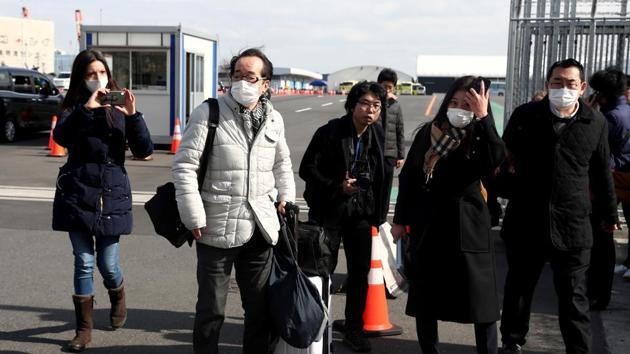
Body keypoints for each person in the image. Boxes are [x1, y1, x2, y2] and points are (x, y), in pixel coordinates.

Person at [172, 48, 295, 354]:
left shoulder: (274, 119)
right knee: (211, 310)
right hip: (215, 226)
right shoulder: (208, 112)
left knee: (259, 311)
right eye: (237, 76)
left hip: (260, 228)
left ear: (265, 84)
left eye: (250, 77)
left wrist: (286, 196)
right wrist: (193, 215)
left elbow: (282, 163)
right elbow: (185, 166)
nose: (242, 82)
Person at [499, 59, 618, 354]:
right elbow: (503, 161)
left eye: (570, 84)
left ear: (582, 88)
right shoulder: (525, 116)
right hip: (526, 220)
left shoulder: (595, 122)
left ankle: (578, 349)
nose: (563, 89)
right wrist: (509, 192)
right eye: (557, 83)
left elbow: (602, 171)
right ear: (546, 84)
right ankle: (511, 342)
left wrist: (608, 214)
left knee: (574, 295)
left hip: (573, 224)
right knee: (519, 289)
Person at [391, 76, 505, 354]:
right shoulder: (429, 133)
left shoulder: (479, 134)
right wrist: (400, 219)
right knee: (426, 301)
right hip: (429, 227)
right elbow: (409, 178)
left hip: (469, 228)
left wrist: (483, 118)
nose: (458, 108)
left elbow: (495, 158)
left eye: (466, 103)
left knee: (481, 303)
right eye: (453, 102)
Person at [52, 49, 153, 352]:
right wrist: (86, 108)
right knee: (83, 262)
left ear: (110, 76)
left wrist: (133, 116)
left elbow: (144, 149)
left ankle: (118, 294)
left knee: (108, 264)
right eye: (90, 74)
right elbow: (61, 138)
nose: (98, 79)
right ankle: (84, 330)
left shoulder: (119, 108)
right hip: (77, 193)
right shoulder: (74, 107)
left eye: (102, 73)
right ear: (81, 78)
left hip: (112, 195)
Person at [299, 81, 388, 352]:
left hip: (360, 213)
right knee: (322, 270)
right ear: (352, 106)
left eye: (376, 106)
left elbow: (383, 176)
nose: (370, 111)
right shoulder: (330, 132)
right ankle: (316, 327)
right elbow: (306, 169)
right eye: (364, 104)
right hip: (329, 209)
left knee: (360, 273)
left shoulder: (377, 135)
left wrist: (379, 215)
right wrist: (337, 185)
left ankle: (354, 329)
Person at [587, 67, 630, 307]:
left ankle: (598, 294)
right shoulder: (625, 111)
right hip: (622, 178)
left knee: (601, 241)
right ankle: (600, 293)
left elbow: (598, 150)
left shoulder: (610, 117)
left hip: (610, 182)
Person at [377, 68, 406, 201]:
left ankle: (382, 218)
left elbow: (400, 130)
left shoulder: (396, 105)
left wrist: (401, 155)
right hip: (374, 152)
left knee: (386, 189)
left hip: (390, 154)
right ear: (379, 85)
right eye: (384, 87)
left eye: (390, 87)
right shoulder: (374, 104)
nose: (387, 90)